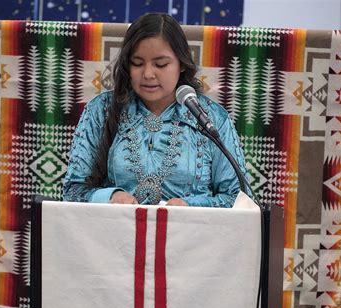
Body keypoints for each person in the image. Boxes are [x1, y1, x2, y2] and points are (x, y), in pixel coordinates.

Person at [62, 12, 248, 207]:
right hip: (113, 232)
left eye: (161, 64)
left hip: (192, 235)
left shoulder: (210, 117)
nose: (148, 74)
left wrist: (191, 207)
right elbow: (73, 191)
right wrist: (111, 196)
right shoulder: (101, 111)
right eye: (137, 63)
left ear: (182, 64)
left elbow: (238, 198)